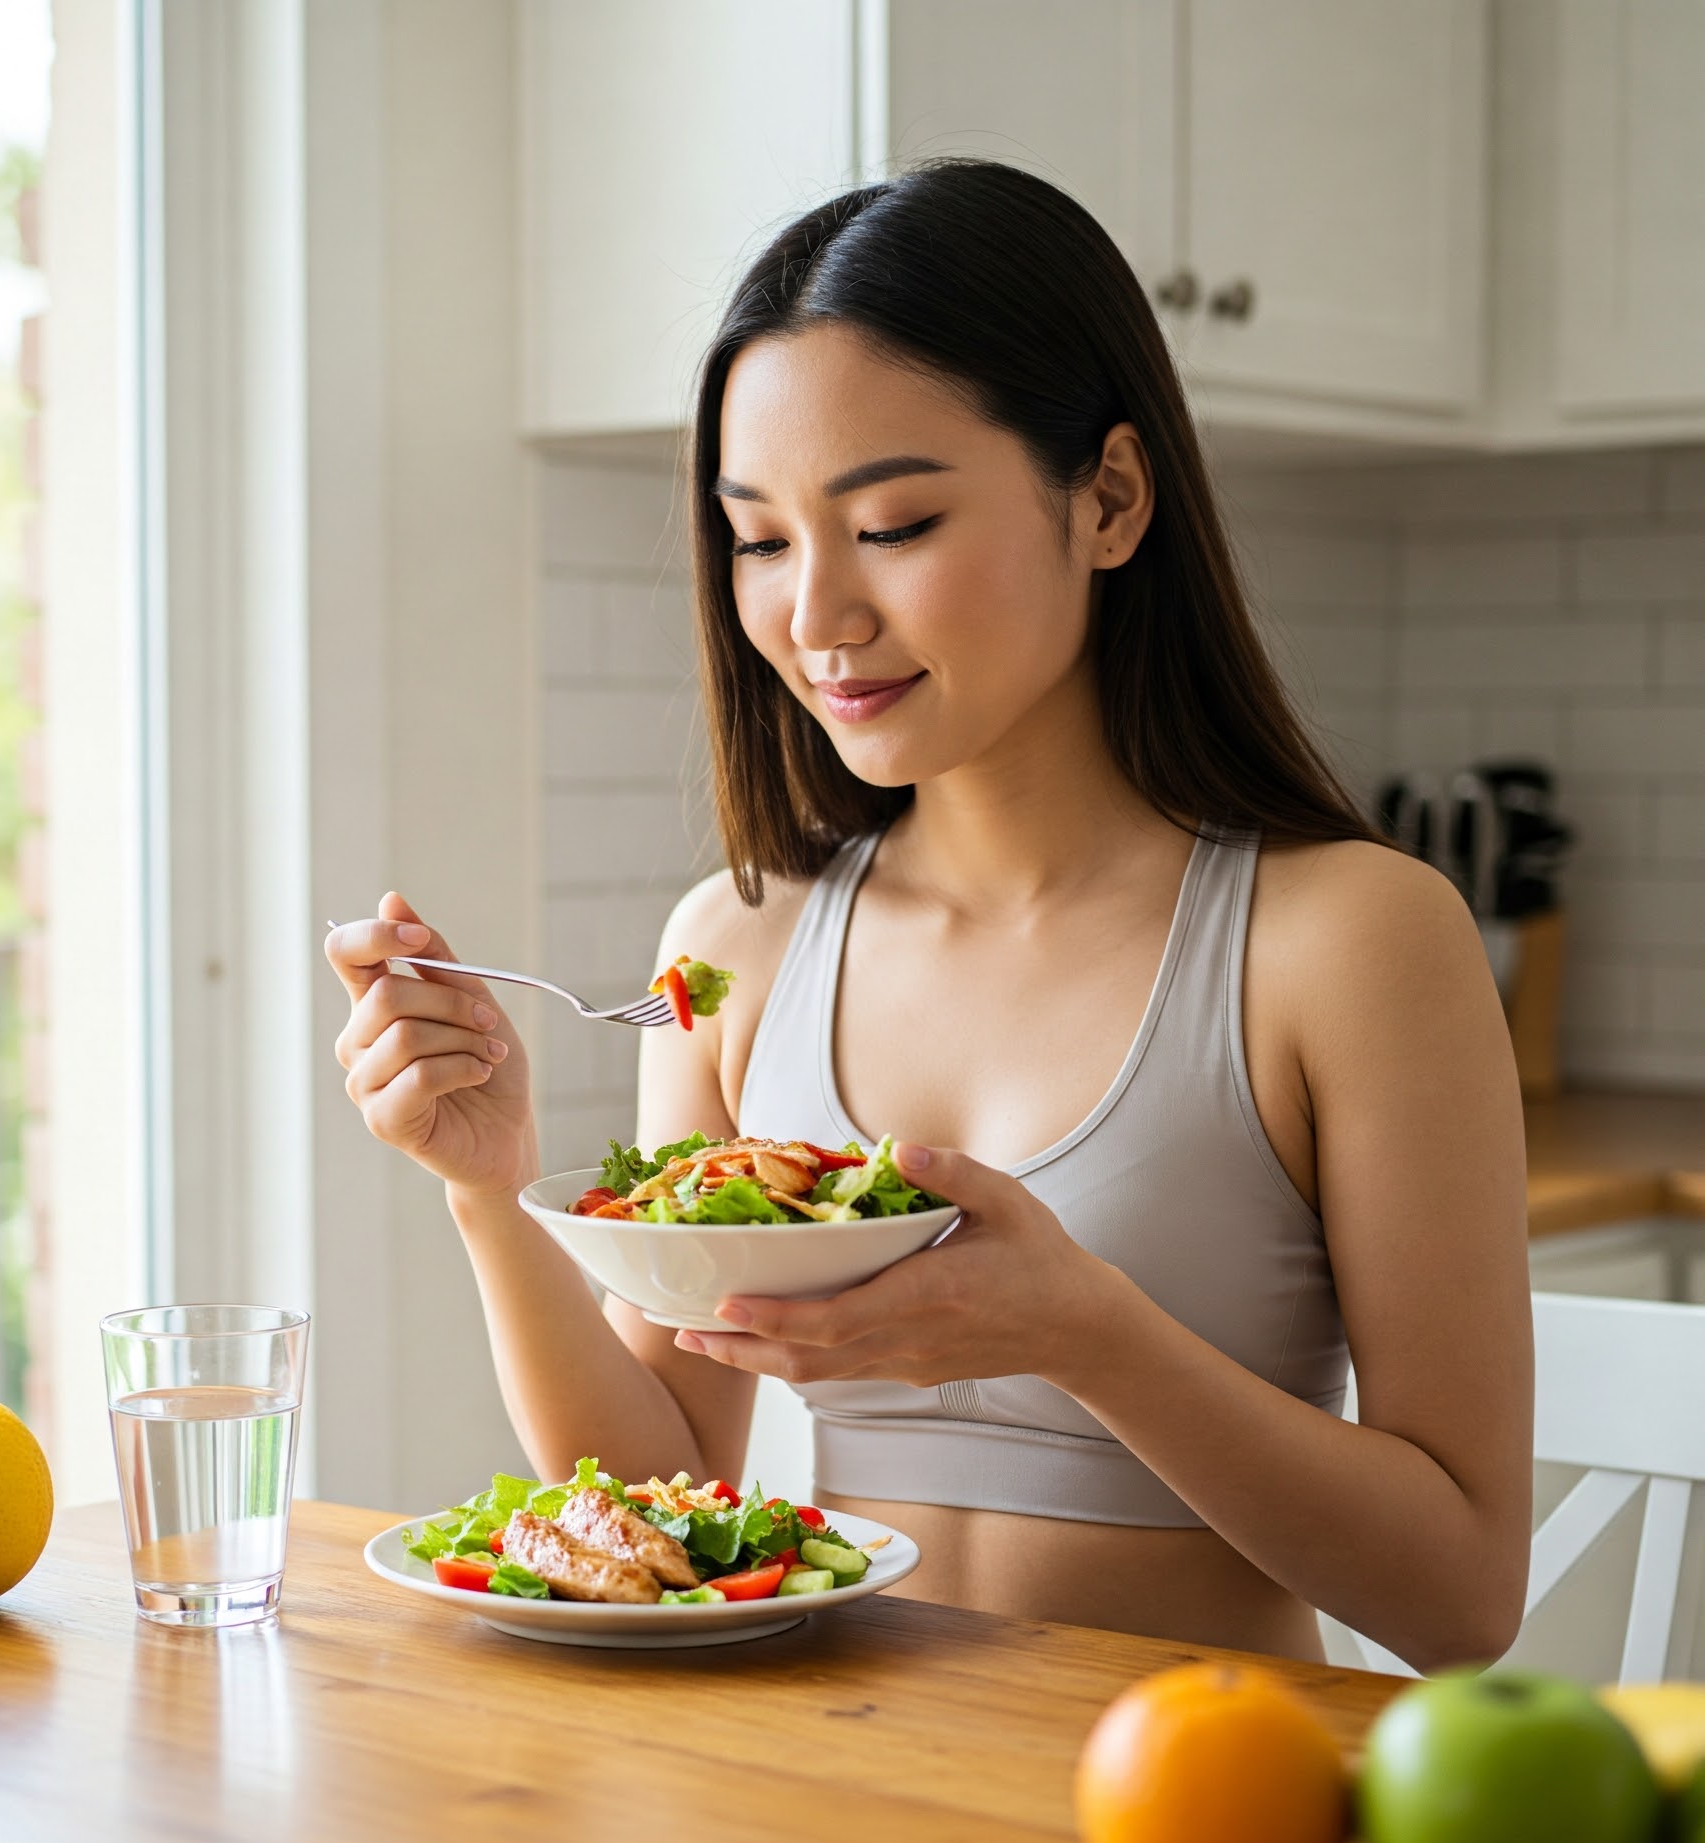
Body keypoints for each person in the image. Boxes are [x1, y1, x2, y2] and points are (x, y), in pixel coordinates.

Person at [326, 161, 1531, 1667]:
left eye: (891, 524)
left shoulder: (1352, 940)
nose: (815, 615)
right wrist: (490, 1187)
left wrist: (1083, 1330)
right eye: (759, 538)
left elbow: (1463, 1601)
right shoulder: (734, 948)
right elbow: (661, 1494)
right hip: (829, 1808)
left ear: (1108, 498)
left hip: (1191, 1828)